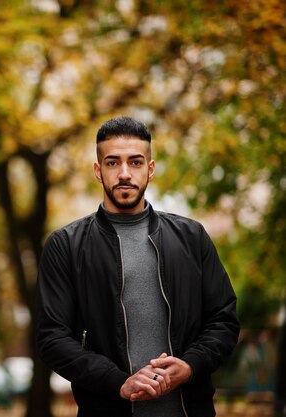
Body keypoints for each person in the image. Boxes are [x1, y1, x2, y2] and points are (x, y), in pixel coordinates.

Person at [35, 116, 239, 417]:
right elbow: (52, 337)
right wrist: (118, 383)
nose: (125, 173)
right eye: (113, 163)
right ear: (97, 170)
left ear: (151, 169)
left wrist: (191, 365)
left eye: (136, 162)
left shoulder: (191, 238)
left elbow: (224, 320)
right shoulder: (66, 246)